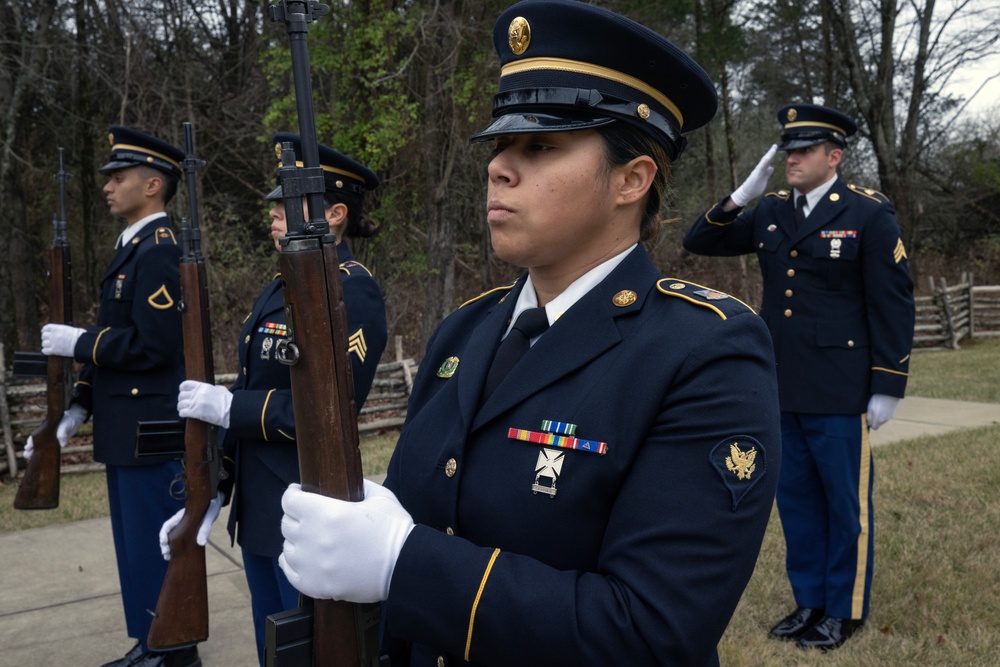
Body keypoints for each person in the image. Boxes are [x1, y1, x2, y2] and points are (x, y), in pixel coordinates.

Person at [276, 2, 782, 665]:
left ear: (632, 180)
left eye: (540, 146)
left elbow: (650, 631)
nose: (499, 167)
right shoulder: (463, 333)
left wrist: (406, 562)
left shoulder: (705, 352)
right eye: (500, 145)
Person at [683, 103, 916, 651]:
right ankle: (809, 600)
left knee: (843, 504)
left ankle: (844, 609)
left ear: (833, 156)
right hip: (783, 384)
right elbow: (700, 241)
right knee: (798, 501)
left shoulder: (868, 214)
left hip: (840, 386)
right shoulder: (770, 212)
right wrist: (740, 195)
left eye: (804, 150)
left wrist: (888, 382)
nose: (792, 158)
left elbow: (893, 303)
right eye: (788, 149)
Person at [158, 133, 388, 666]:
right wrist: (216, 487)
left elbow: (330, 412)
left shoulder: (352, 291)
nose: (274, 215)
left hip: (308, 505)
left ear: (334, 214)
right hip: (262, 508)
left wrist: (229, 407)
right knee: (275, 651)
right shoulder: (276, 286)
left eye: (288, 205)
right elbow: (255, 382)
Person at [33, 126, 198, 667]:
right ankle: (149, 643)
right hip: (123, 429)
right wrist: (80, 404)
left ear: (153, 185)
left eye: (118, 177)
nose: (107, 186)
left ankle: (171, 653)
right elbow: (113, 339)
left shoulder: (159, 252)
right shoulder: (130, 249)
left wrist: (78, 342)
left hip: (150, 431)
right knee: (134, 550)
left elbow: (153, 346)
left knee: (155, 544)